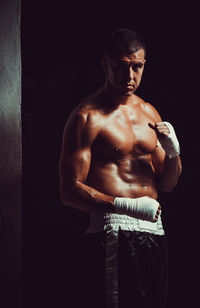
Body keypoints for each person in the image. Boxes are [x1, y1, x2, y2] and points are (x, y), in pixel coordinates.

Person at [59, 28, 182, 308]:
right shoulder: (87, 116)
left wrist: (174, 152)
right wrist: (129, 206)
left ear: (144, 64)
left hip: (154, 229)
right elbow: (69, 191)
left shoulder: (150, 113)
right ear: (105, 65)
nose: (129, 77)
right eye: (120, 68)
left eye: (136, 67)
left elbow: (167, 184)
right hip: (113, 230)